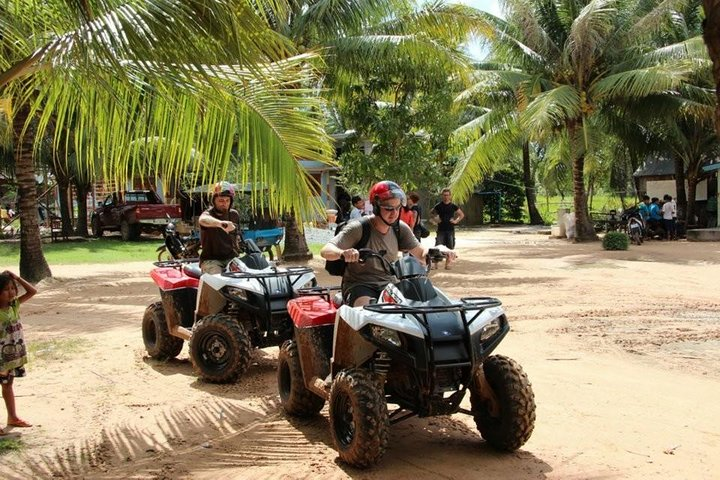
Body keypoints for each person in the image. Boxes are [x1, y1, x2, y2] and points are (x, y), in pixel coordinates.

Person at [320, 181, 455, 307]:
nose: (394, 214)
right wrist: (343, 253)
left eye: (397, 208)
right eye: (389, 209)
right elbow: (326, 250)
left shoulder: (400, 228)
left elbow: (420, 254)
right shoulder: (359, 228)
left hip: (391, 285)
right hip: (360, 285)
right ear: (376, 207)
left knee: (419, 310)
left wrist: (438, 250)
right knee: (369, 312)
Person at [0, 270, 37, 435]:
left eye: (13, 288)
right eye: (6, 289)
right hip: (0, 356)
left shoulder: (14, 305)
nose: (12, 292)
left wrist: (17, 278)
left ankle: (13, 417)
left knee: (8, 385)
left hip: (12, 356)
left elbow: (32, 291)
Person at [198, 181, 241, 274]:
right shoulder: (208, 214)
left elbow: (237, 237)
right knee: (218, 281)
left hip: (231, 258)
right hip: (211, 260)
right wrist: (221, 224)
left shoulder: (234, 215)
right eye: (221, 200)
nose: (224, 203)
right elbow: (203, 219)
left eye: (227, 200)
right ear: (214, 201)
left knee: (247, 277)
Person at [430, 188, 464, 269]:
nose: (446, 197)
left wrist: (456, 221)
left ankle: (448, 264)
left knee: (450, 247)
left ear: (450, 196)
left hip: (450, 229)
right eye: (444, 195)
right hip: (441, 229)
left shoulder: (453, 206)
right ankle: (435, 264)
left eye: (447, 195)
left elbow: (461, 214)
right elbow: (431, 213)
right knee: (437, 247)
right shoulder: (438, 205)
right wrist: (435, 219)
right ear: (442, 196)